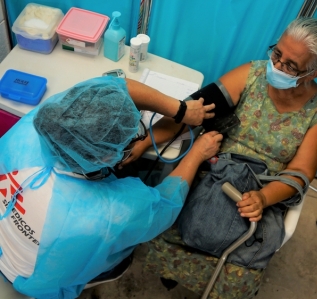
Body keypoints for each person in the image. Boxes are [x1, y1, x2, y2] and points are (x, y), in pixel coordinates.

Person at [120, 17, 317, 297]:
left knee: (241, 268)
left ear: (312, 74)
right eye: (277, 53)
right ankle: (170, 272)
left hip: (262, 189)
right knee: (166, 220)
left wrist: (264, 198)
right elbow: (191, 112)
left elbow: (300, 174)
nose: (277, 66)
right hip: (213, 167)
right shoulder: (251, 76)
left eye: (290, 66)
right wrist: (144, 142)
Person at [0, 76, 222, 299]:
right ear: (108, 156)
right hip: (35, 281)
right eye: (129, 140)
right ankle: (106, 272)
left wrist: (181, 109)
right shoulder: (112, 212)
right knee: (117, 254)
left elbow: (113, 87)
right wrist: (197, 153)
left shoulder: (34, 126)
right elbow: (165, 206)